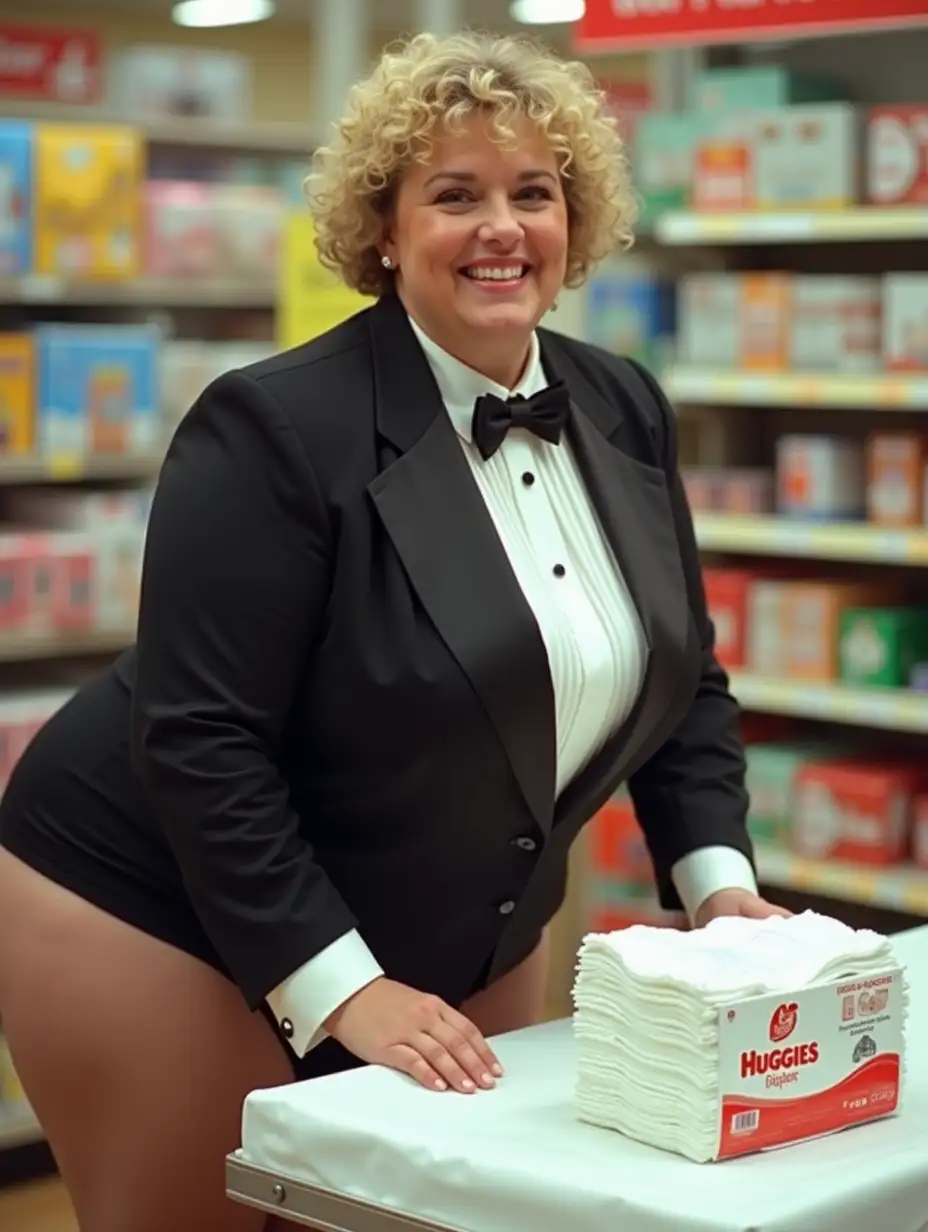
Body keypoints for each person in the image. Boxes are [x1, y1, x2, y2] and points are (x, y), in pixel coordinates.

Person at [0, 29, 787, 1232]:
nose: (501, 228)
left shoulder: (621, 402)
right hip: (159, 904)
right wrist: (344, 988)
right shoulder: (271, 427)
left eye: (533, 192)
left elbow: (681, 678)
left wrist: (719, 893)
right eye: (454, 195)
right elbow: (201, 742)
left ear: (574, 221)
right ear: (383, 226)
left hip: (463, 908)